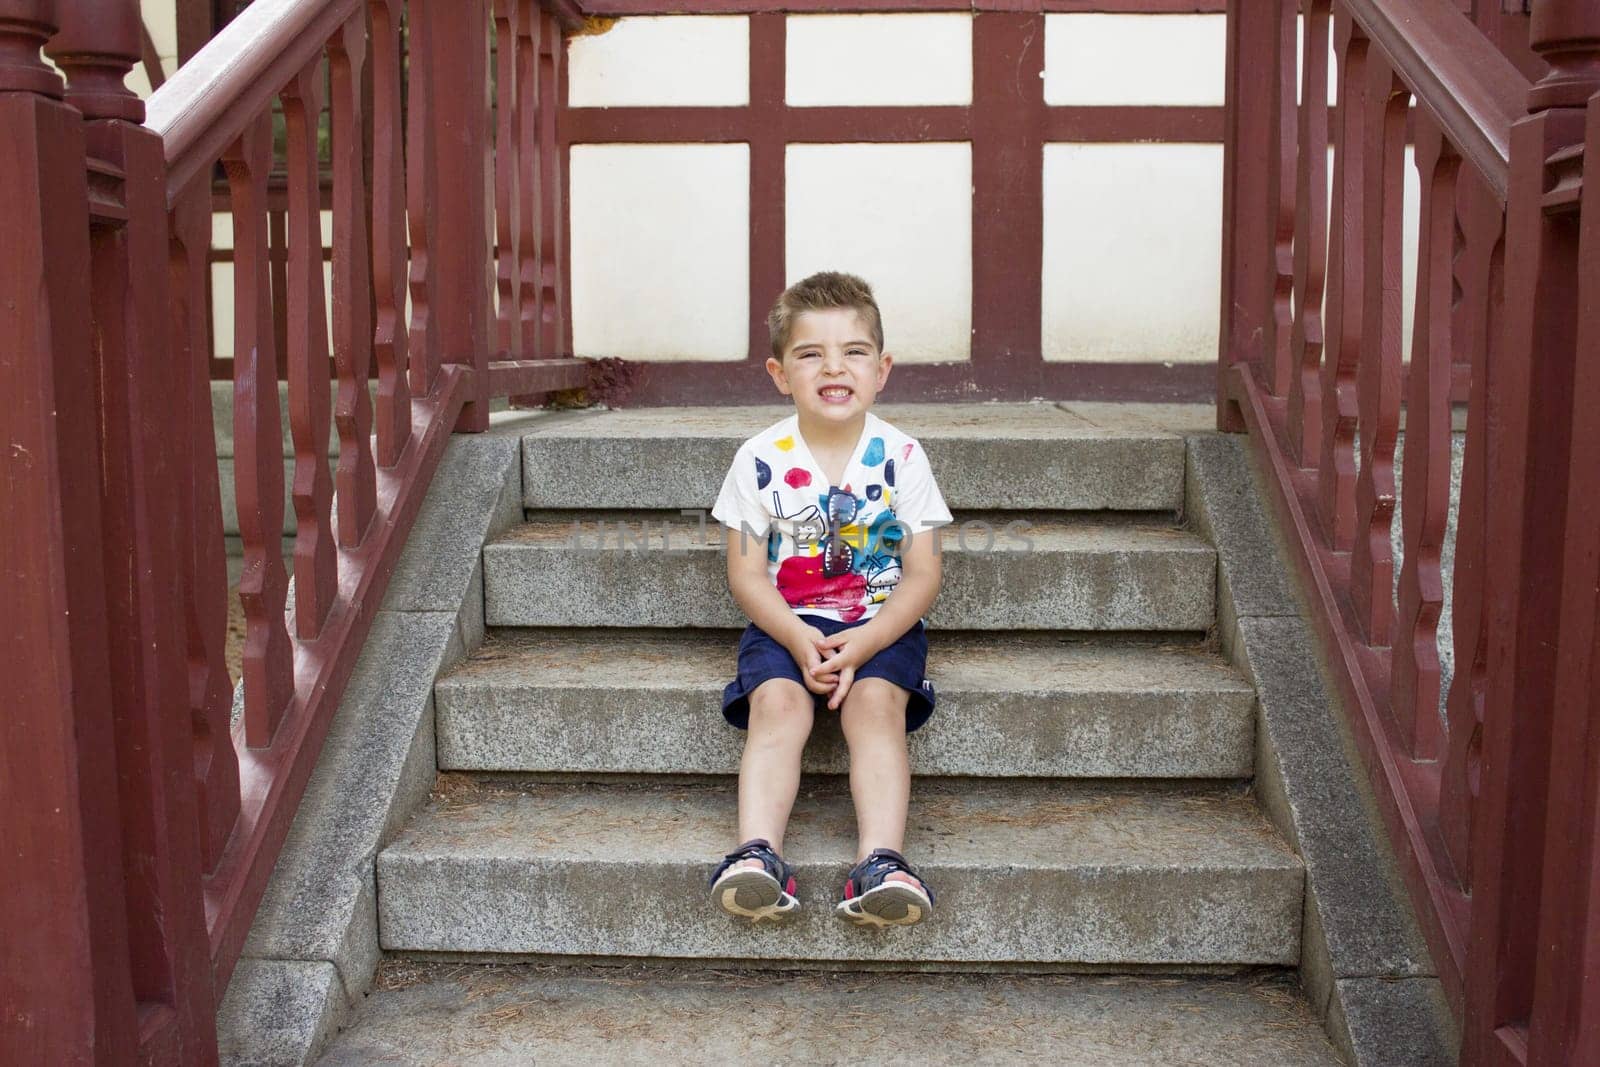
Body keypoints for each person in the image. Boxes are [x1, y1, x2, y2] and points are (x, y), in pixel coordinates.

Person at [706, 271, 952, 928]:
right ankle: (757, 852)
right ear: (779, 372)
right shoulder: (758, 458)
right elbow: (747, 574)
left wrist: (867, 643)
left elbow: (922, 574)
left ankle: (881, 861)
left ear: (883, 368)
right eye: (810, 353)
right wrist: (794, 637)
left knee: (875, 708)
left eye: (854, 351)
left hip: (881, 625)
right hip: (786, 624)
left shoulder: (902, 457)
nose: (834, 367)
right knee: (777, 705)